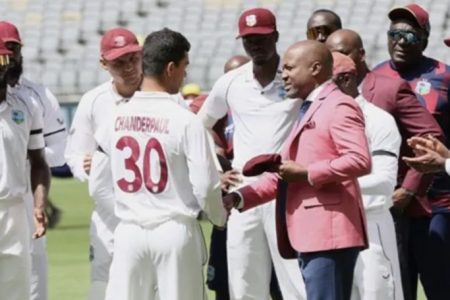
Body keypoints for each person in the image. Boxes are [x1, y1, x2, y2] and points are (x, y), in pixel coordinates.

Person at [224, 40, 371, 300]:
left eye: (290, 68)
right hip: (310, 234)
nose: (284, 74)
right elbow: (285, 173)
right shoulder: (308, 107)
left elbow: (359, 160)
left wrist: (308, 173)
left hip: (329, 234)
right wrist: (240, 197)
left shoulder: (338, 105)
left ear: (315, 68)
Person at [99, 27, 226, 300]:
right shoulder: (184, 119)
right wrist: (219, 218)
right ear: (171, 68)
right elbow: (205, 185)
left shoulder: (115, 117)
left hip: (129, 230)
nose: (185, 74)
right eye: (184, 66)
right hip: (173, 228)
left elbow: (102, 177)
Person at [325, 28, 444, 300]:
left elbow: (431, 137)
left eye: (343, 53)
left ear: (360, 54)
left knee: (385, 287)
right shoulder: (320, 98)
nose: (337, 60)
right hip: (339, 214)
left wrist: (409, 189)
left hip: (389, 206)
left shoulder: (389, 87)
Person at [198, 8, 306, 300]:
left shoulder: (295, 75)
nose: (254, 45)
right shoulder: (231, 81)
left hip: (285, 188)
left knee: (294, 279)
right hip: (243, 190)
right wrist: (218, 166)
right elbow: (200, 127)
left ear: (276, 36)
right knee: (244, 280)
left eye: (261, 38)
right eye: (248, 40)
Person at [373, 4, 450, 299]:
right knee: (395, 289)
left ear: (426, 39)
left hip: (438, 204)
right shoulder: (374, 77)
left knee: (440, 288)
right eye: (395, 33)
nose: (401, 41)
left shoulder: (444, 77)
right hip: (391, 204)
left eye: (411, 35)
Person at [65, 27, 143, 300]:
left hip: (151, 209)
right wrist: (83, 167)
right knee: (104, 282)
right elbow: (74, 154)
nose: (128, 68)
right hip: (108, 214)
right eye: (119, 62)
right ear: (103, 64)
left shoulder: (160, 94)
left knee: (150, 284)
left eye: (133, 59)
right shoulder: (93, 101)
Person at [0, 21, 67, 300]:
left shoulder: (30, 102)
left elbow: (44, 157)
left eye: (12, 50)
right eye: (4, 53)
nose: (8, 60)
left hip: (17, 205)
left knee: (21, 286)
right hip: (17, 195)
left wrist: (39, 205)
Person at [331, 52, 404, 300]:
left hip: (370, 224)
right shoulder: (319, 118)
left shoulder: (378, 119)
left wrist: (325, 183)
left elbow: (385, 182)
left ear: (347, 79)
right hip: (332, 226)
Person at [0, 39, 49, 300]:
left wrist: (39, 205)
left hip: (15, 210)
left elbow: (39, 162)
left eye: (3, 60)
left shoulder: (26, 106)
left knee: (17, 291)